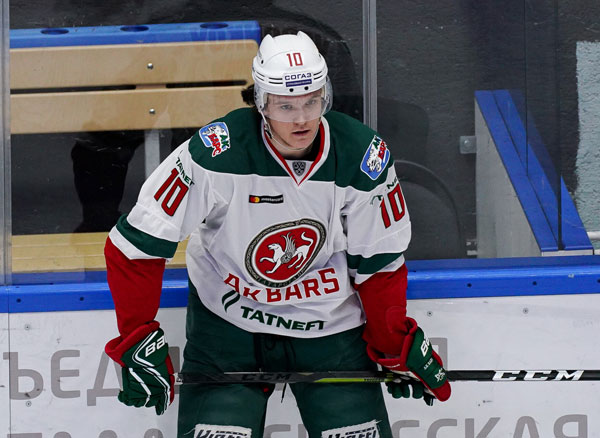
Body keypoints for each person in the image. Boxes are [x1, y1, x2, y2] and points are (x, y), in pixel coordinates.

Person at [103, 31, 451, 438]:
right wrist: (137, 339)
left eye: (311, 102)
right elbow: (136, 245)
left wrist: (393, 344)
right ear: (261, 103)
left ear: (326, 97)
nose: (301, 119)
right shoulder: (217, 153)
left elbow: (379, 263)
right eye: (286, 106)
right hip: (227, 328)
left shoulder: (361, 157)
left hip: (331, 331)